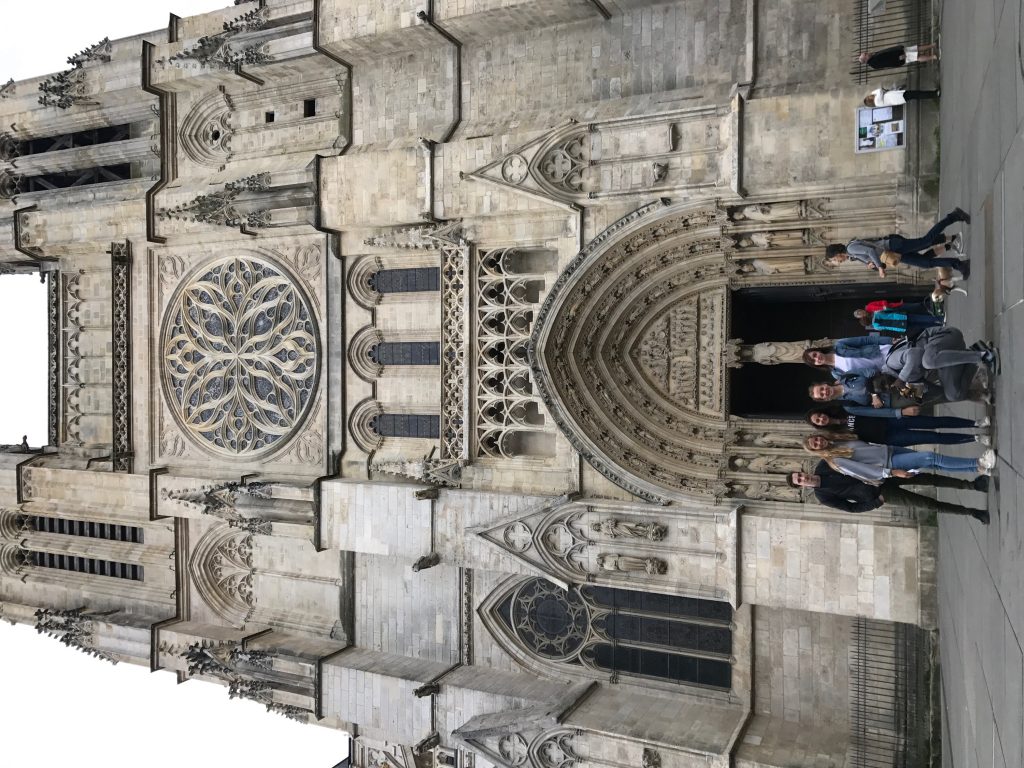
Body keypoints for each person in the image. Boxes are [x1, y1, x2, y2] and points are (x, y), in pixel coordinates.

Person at [788, 461, 990, 523]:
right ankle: (972, 512)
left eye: (801, 475)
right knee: (928, 504)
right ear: (802, 487)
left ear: (804, 471)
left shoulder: (824, 465)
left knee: (928, 478)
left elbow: (853, 459)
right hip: (880, 494)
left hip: (885, 475)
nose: (804, 478)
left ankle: (973, 485)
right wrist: (877, 502)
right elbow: (851, 508)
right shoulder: (823, 496)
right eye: (800, 481)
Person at [824, 209, 970, 278]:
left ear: (837, 254)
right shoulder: (852, 255)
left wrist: (879, 267)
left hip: (893, 246)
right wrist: (872, 265)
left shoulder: (851, 248)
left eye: (834, 259)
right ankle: (959, 264)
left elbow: (870, 251)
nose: (837, 262)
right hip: (894, 253)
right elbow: (871, 255)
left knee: (926, 240)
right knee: (926, 263)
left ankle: (953, 216)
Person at [802, 434, 994, 481]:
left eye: (816, 439)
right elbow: (863, 471)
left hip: (889, 450)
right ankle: (979, 462)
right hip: (889, 463)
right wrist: (891, 473)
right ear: (816, 451)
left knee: (933, 464)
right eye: (815, 445)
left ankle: (978, 469)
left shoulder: (838, 441)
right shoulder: (835, 461)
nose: (818, 442)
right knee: (929, 457)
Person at [880, 327, 998, 402]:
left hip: (946, 337)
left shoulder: (891, 362)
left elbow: (915, 354)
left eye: (882, 383)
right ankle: (976, 351)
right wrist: (916, 394)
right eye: (884, 389)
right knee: (953, 395)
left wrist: (902, 378)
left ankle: (985, 356)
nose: (887, 386)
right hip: (946, 359)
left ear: (880, 374)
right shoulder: (902, 384)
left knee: (927, 362)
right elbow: (937, 391)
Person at [805, 403, 988, 446]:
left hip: (891, 419)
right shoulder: (836, 434)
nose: (821, 419)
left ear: (822, 412)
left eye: (819, 416)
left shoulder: (843, 407)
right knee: (933, 437)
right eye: (818, 422)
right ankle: (974, 438)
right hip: (889, 437)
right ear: (820, 426)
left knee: (934, 421)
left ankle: (975, 423)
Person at [808, 372, 906, 416]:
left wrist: (874, 394)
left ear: (824, 384)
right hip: (892, 401)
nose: (824, 391)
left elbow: (871, 371)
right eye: (822, 395)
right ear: (825, 399)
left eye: (822, 389)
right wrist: (900, 412)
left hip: (890, 381)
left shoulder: (846, 376)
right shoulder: (848, 406)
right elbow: (874, 412)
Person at [803, 336, 892, 376]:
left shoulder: (839, 344)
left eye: (814, 355)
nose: (817, 359)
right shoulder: (836, 374)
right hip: (884, 369)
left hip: (883, 352)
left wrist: (890, 340)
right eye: (814, 361)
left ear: (818, 350)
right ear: (816, 365)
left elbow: (865, 340)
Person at [853, 307, 944, 336]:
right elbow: (888, 310)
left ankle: (938, 326)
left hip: (900, 327)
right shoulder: (877, 313)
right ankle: (940, 319)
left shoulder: (876, 327)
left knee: (921, 326)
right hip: (900, 317)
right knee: (919, 318)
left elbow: (887, 329)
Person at [858, 44, 938, 70]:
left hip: (898, 52)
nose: (867, 53)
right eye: (865, 54)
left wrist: (898, 48)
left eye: (865, 53)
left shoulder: (873, 57)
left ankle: (932, 45)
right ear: (865, 59)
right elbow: (887, 62)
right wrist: (898, 58)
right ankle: (933, 57)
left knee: (916, 48)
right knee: (916, 57)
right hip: (898, 56)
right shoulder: (874, 63)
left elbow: (887, 52)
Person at [863, 86, 940, 107]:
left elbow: (881, 91)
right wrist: (872, 92)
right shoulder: (877, 102)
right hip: (899, 97)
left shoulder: (877, 100)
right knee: (918, 95)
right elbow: (880, 90)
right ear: (870, 100)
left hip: (899, 95)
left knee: (917, 93)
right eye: (869, 97)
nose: (871, 95)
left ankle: (933, 93)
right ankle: (934, 94)